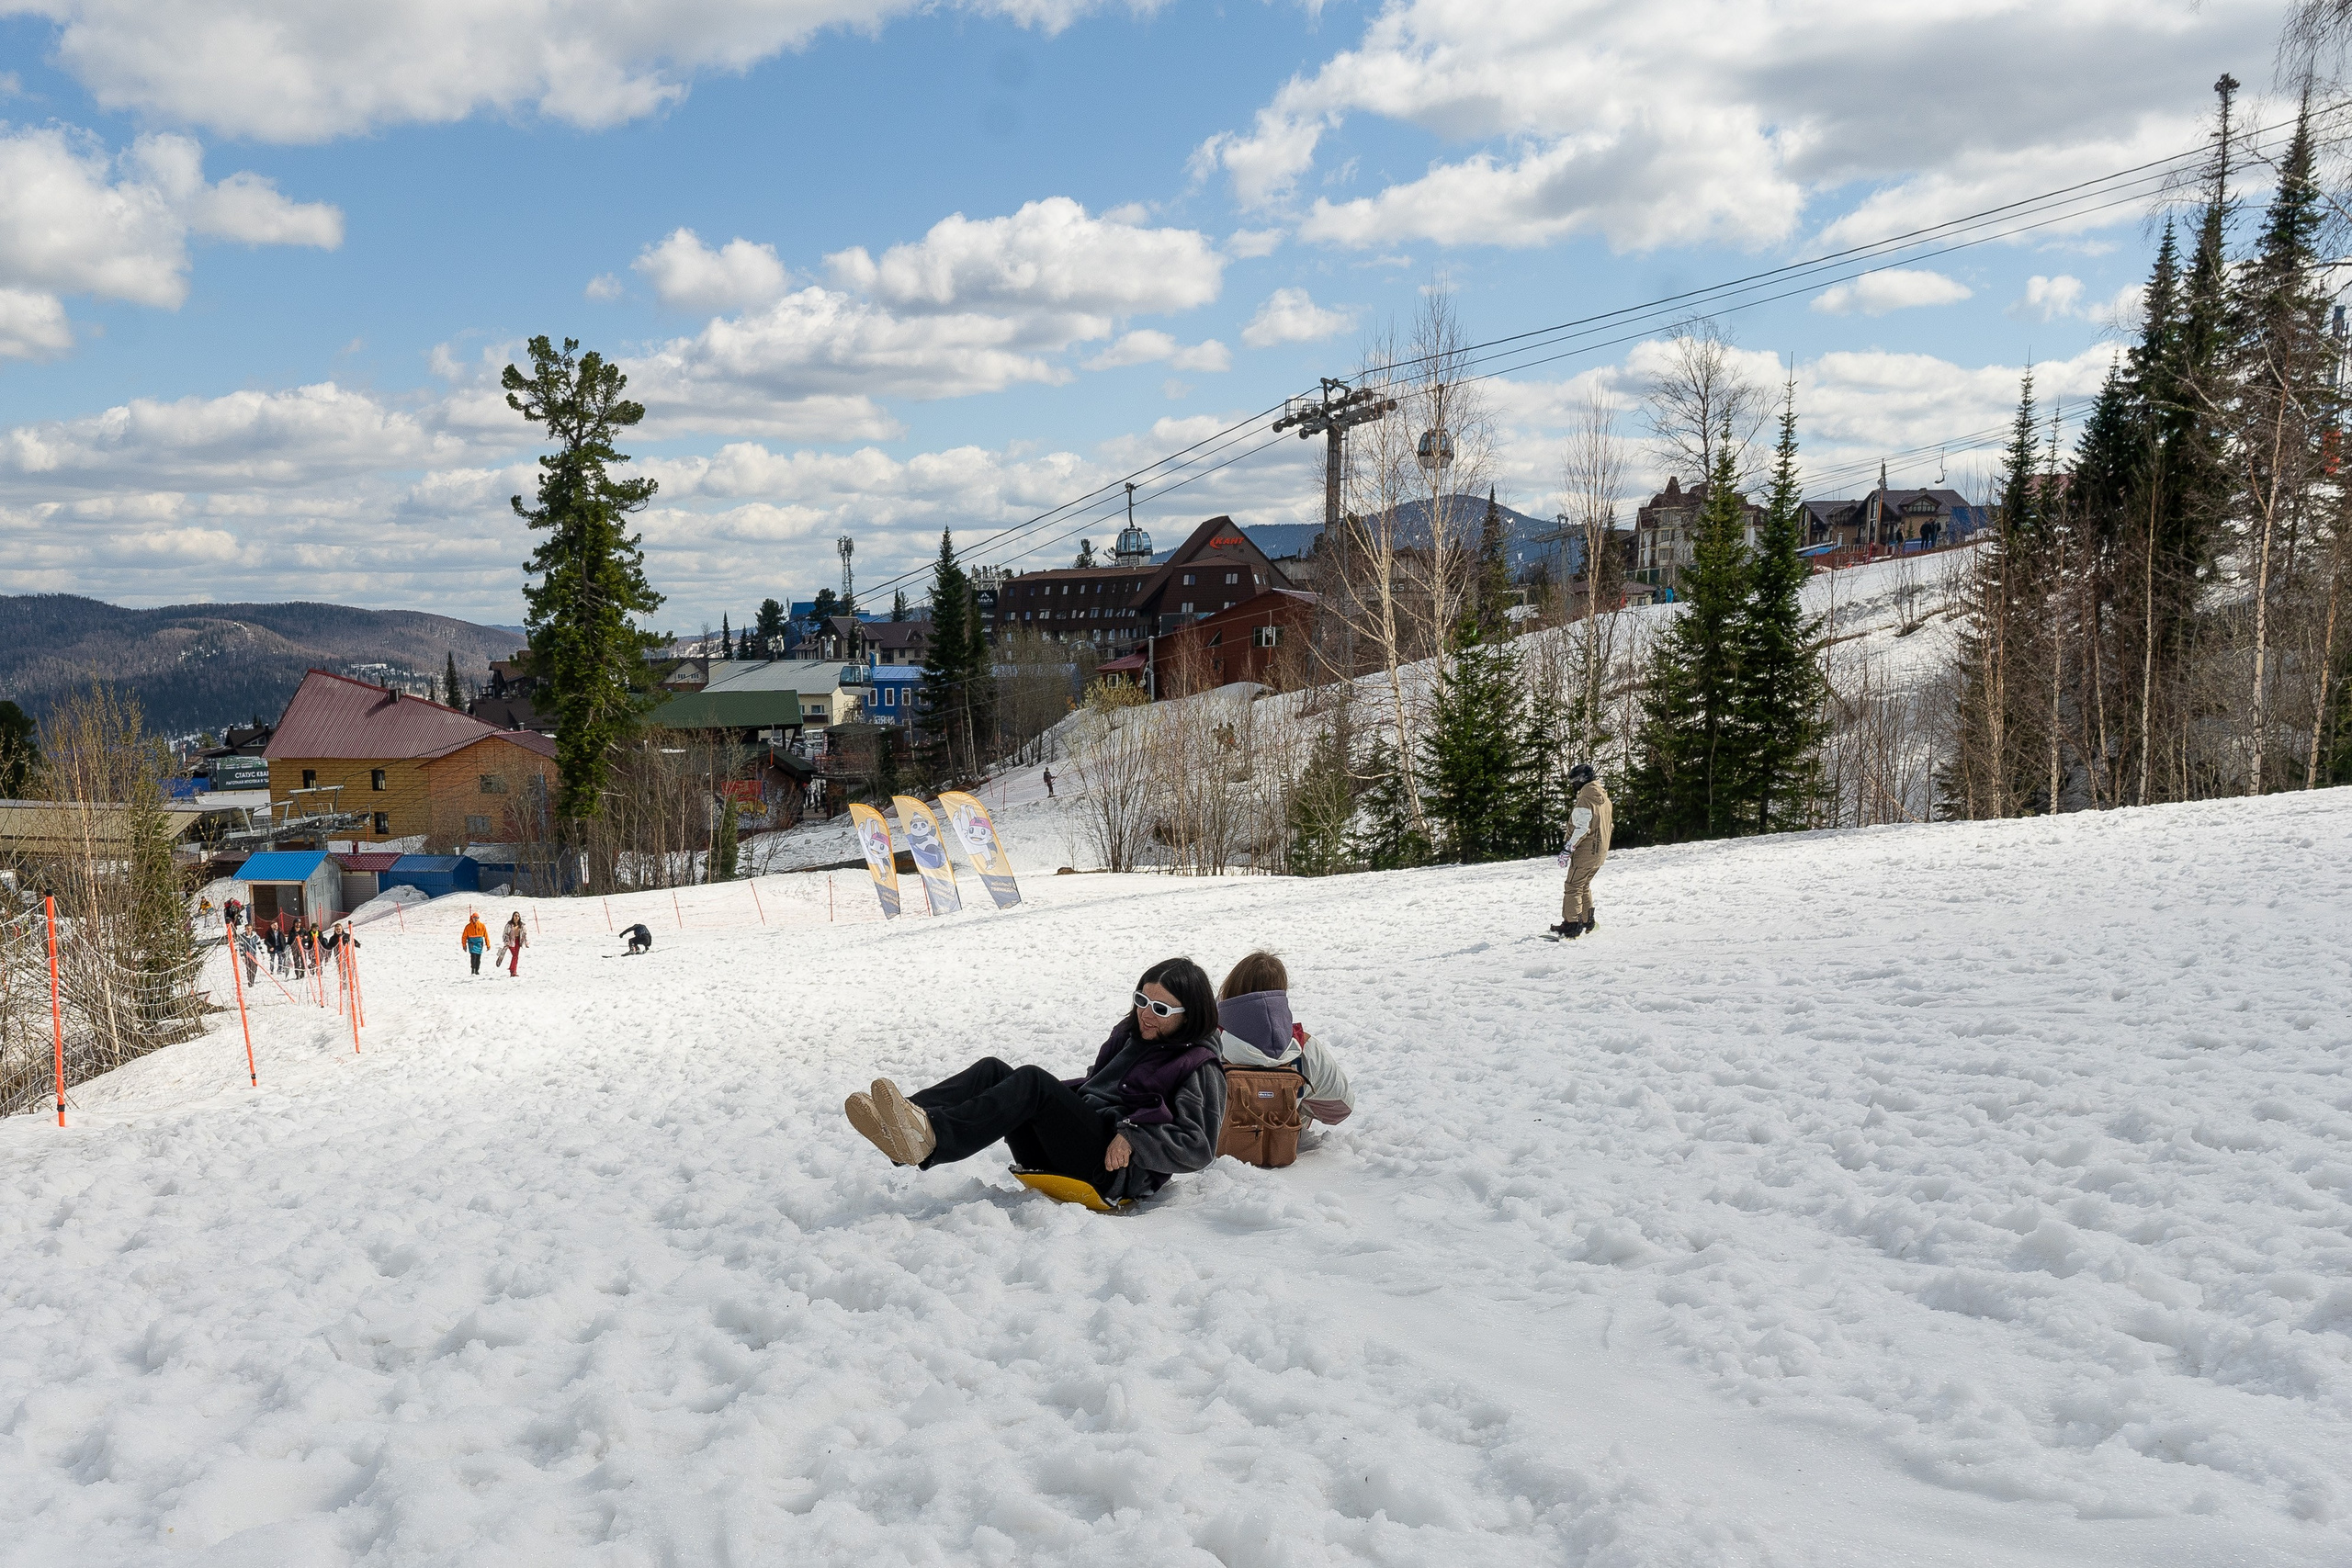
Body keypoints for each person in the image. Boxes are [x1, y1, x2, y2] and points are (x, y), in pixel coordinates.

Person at [845, 957, 1228, 1205]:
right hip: (1073, 1148)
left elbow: (1199, 1147)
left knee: (1032, 1082)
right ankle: (904, 1124)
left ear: (1189, 1013)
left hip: (1109, 1173)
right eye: (1142, 1001)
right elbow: (1097, 1090)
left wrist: (1135, 1137)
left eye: (1160, 1009)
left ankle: (932, 1140)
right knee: (994, 1070)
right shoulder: (1129, 1035)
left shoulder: (1199, 1064)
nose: (1147, 1014)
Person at [1215, 950, 1354, 1127]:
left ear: (1230, 988)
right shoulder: (1305, 1046)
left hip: (1217, 1150)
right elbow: (1341, 1108)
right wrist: (1296, 1105)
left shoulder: (1204, 1042)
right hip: (1283, 1149)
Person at [1553, 762, 1613, 940]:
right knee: (1583, 885)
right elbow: (1609, 825)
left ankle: (1572, 925)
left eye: (1574, 782)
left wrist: (1567, 849)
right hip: (1600, 851)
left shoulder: (1585, 800)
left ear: (1582, 780)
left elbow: (1582, 829)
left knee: (1572, 886)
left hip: (1587, 851)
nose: (1573, 786)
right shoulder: (1604, 799)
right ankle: (1587, 921)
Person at [460, 909, 489, 976]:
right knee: (473, 956)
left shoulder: (482, 926)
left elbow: (486, 935)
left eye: (477, 918)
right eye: (474, 918)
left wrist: (488, 944)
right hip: (472, 943)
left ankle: (477, 970)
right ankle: (473, 969)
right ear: (472, 918)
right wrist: (464, 945)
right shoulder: (468, 927)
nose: (476, 919)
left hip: (479, 943)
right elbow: (464, 936)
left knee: (478, 957)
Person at [502, 911, 527, 976]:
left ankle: (513, 971)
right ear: (513, 916)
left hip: (518, 941)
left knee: (516, 956)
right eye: (515, 916)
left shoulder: (521, 925)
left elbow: (524, 934)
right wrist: (506, 942)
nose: (517, 917)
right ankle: (512, 969)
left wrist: (525, 942)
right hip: (511, 941)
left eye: (518, 916)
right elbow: (505, 934)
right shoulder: (509, 925)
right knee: (515, 955)